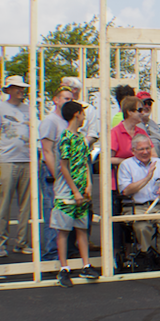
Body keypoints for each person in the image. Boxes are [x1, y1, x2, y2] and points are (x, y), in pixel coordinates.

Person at [52, 100, 100, 286]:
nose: (84, 117)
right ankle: (64, 268)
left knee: (82, 229)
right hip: (67, 193)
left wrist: (88, 184)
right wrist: (74, 191)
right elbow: (63, 167)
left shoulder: (81, 138)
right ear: (76, 114)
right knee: (63, 231)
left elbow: (84, 163)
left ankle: (86, 265)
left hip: (82, 192)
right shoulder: (65, 138)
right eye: (82, 113)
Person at [0, 74, 32, 258]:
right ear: (8, 90)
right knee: (3, 205)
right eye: (16, 87)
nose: (20, 90)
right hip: (6, 160)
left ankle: (21, 242)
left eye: (21, 87)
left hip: (27, 160)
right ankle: (0, 243)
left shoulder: (29, 109)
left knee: (26, 205)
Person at [118, 134, 160, 269]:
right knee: (142, 227)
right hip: (136, 206)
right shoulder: (126, 165)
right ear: (133, 151)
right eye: (141, 149)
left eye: (147, 148)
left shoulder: (158, 163)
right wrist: (147, 178)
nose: (145, 152)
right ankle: (146, 254)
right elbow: (126, 191)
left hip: (156, 205)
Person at [38, 87, 73, 259]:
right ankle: (51, 254)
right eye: (66, 98)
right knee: (52, 211)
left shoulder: (67, 121)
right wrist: (58, 175)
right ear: (56, 100)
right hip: (52, 172)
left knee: (66, 210)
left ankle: (65, 253)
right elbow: (47, 150)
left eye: (71, 99)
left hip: (65, 173)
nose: (68, 101)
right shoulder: (50, 121)